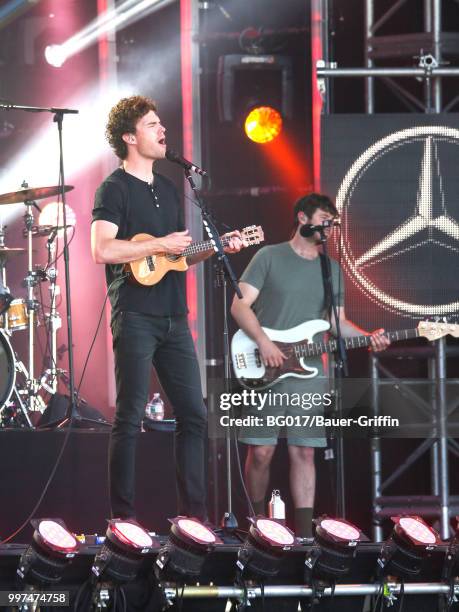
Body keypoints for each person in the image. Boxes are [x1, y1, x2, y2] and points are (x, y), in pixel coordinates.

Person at [91, 95, 245, 522]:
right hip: (135, 315)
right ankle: (122, 518)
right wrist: (160, 243)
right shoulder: (114, 188)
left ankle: (192, 519)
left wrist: (213, 249)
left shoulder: (171, 189)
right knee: (130, 414)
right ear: (129, 136)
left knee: (194, 414)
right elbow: (101, 249)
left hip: (175, 317)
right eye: (152, 125)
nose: (163, 131)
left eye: (162, 124)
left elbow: (175, 259)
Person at [230, 193, 390, 537]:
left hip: (309, 373)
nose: (327, 228)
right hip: (265, 367)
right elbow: (239, 306)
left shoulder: (329, 269)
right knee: (262, 451)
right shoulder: (268, 257)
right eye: (322, 220)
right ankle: (257, 525)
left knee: (304, 451)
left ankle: (302, 536)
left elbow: (336, 323)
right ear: (302, 218)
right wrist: (264, 342)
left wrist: (368, 336)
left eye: (332, 223)